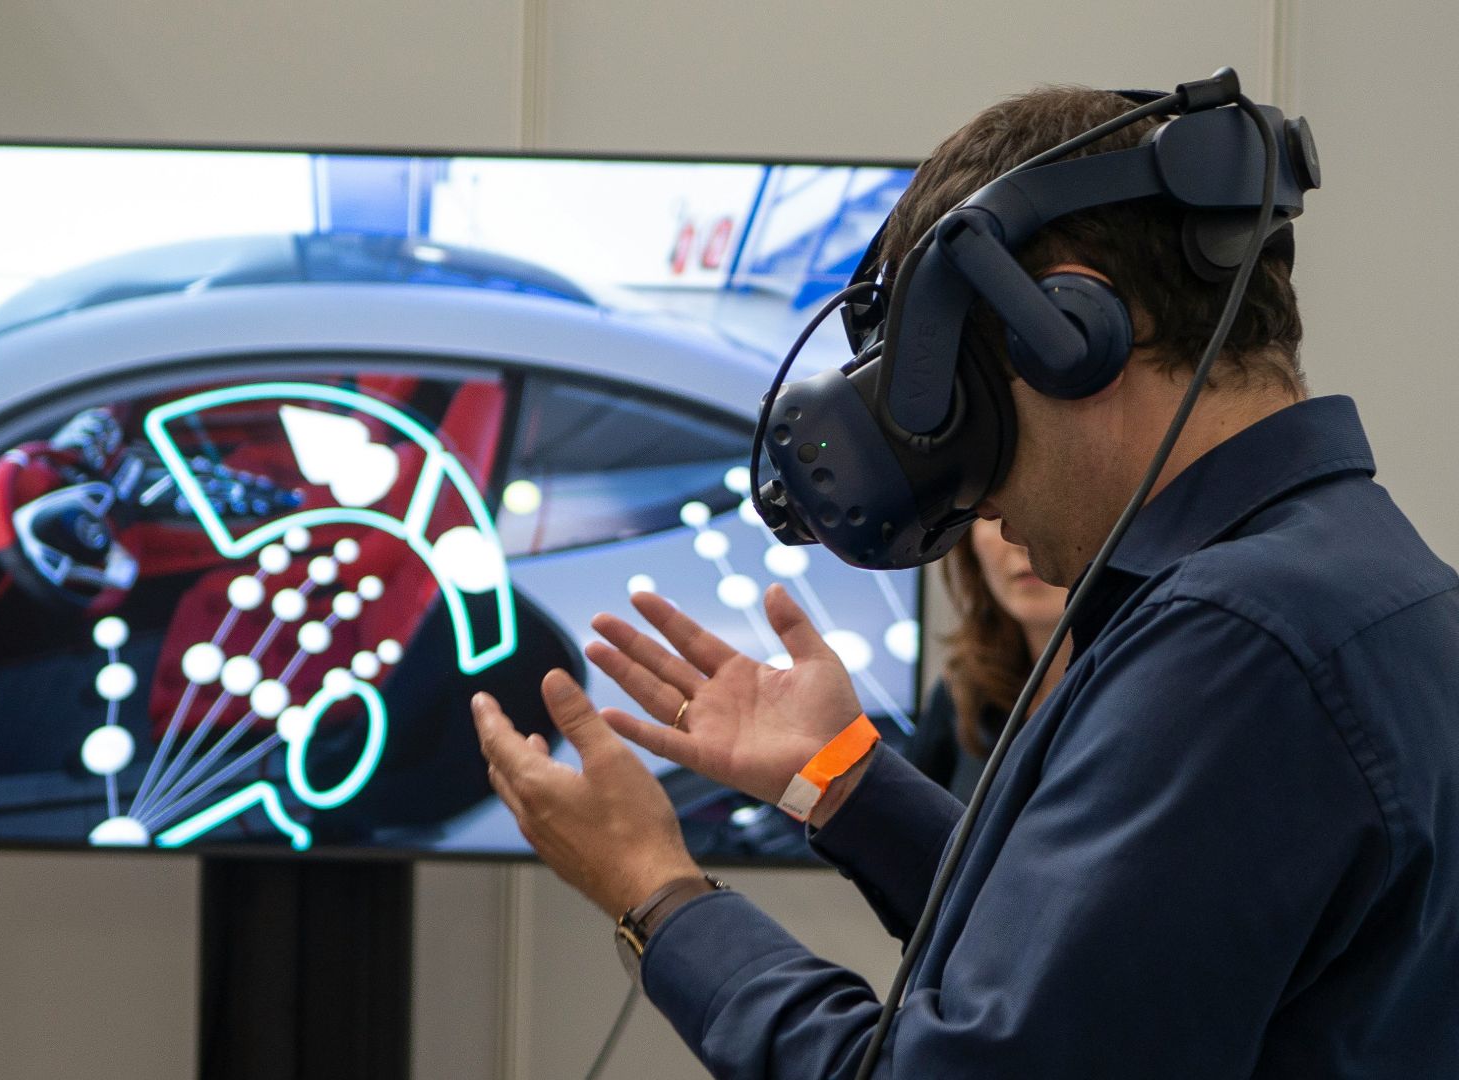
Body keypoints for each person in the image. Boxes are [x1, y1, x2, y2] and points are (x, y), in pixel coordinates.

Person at [472, 84, 1459, 1077]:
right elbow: (1089, 982)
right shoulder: (1354, 585)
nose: (970, 494)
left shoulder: (1238, 644)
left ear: (1069, 331)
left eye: (963, 401)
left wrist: (656, 891)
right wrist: (845, 783)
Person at [906, 519, 1069, 801]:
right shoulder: (963, 691)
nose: (1022, 541)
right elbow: (903, 831)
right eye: (997, 516)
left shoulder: (1143, 692)